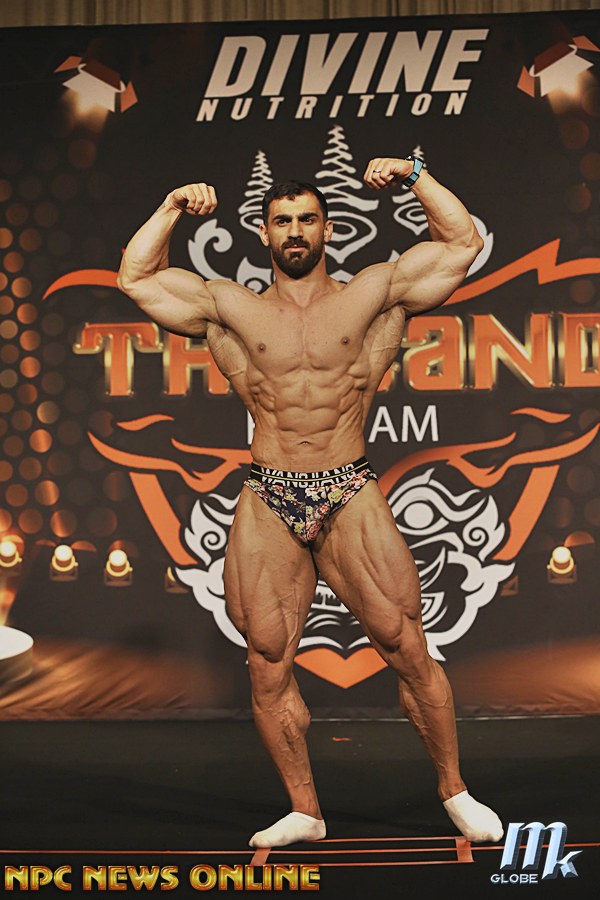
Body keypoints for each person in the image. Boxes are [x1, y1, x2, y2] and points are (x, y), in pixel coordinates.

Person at [117, 156, 503, 849]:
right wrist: (173, 205)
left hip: (347, 482)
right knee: (267, 657)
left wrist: (414, 174)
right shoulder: (230, 306)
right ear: (264, 232)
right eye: (282, 221)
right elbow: (136, 278)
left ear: (328, 228)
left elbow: (461, 244)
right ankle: (305, 811)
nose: (295, 231)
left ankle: (455, 790)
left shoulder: (375, 292)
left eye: (307, 219)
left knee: (405, 644)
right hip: (269, 489)